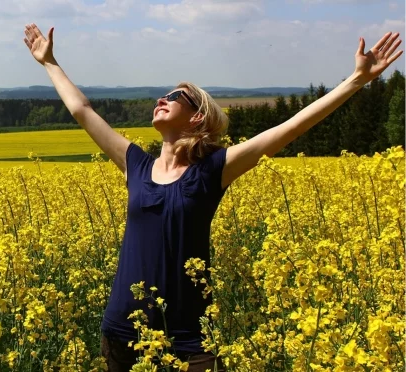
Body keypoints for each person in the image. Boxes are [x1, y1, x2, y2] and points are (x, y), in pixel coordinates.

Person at [22, 23, 402, 372]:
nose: (163, 97)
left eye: (176, 96)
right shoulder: (135, 165)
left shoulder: (212, 170)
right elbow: (81, 109)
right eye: (163, 93)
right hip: (122, 332)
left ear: (198, 117)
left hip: (188, 340)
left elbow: (287, 129)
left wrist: (356, 80)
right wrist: (49, 62)